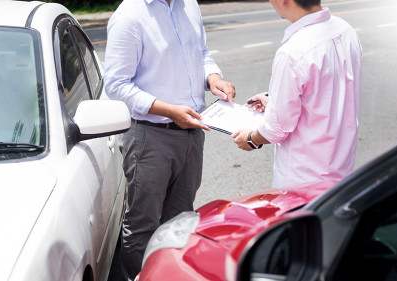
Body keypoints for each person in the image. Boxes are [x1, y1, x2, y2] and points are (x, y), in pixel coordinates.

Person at [104, 0, 235, 279]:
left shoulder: (188, 5)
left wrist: (213, 77)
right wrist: (168, 110)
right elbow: (116, 84)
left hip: (192, 132)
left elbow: (201, 53)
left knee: (181, 221)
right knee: (144, 224)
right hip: (150, 137)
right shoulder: (129, 16)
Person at [232, 0, 362, 188]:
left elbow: (277, 128)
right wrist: (276, 101)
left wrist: (251, 139)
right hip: (342, 169)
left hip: (303, 178)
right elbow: (327, 92)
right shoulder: (346, 30)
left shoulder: (293, 51)